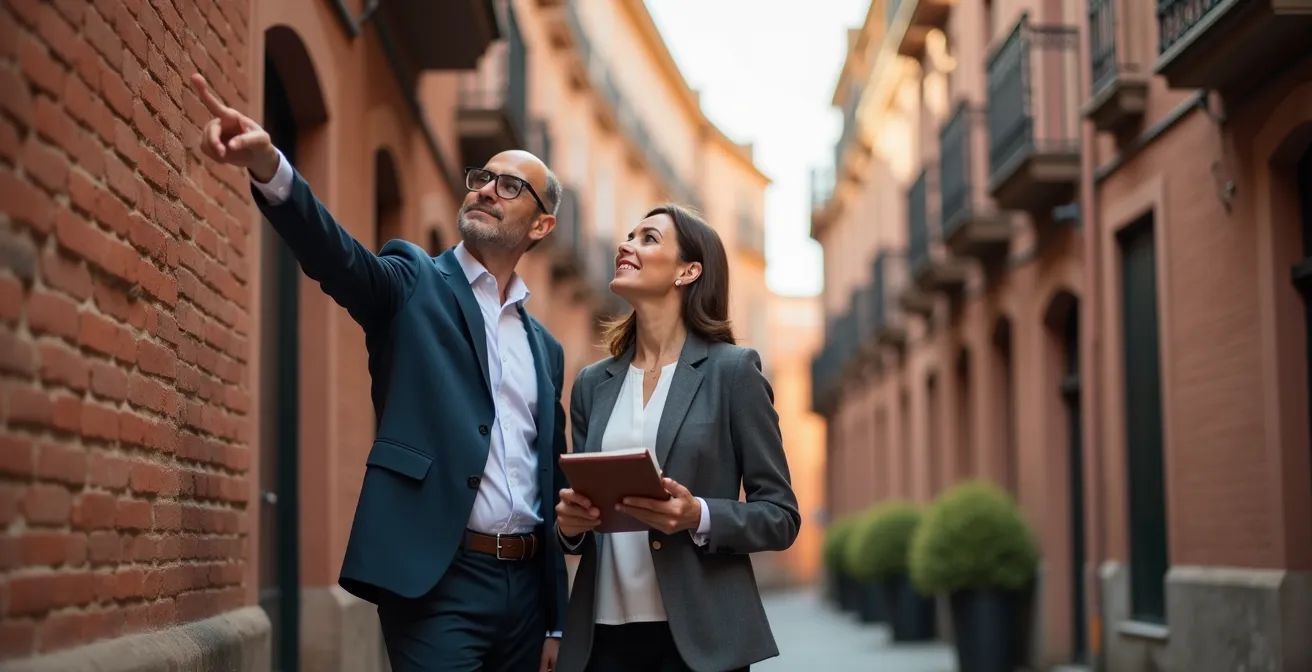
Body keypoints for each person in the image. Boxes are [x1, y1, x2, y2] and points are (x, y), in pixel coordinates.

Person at [190, 73, 568, 672]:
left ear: (541, 225)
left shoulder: (545, 348)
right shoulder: (413, 280)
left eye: (511, 185)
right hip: (439, 581)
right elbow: (338, 260)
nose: (486, 190)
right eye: (482, 178)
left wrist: (555, 617)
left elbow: (547, 479)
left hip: (525, 593)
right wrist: (271, 168)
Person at [553, 205, 801, 672]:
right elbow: (583, 521)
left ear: (688, 270)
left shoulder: (733, 372)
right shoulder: (591, 383)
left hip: (700, 638)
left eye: (648, 238)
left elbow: (781, 516)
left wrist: (698, 515)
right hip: (602, 637)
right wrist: (569, 527)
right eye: (628, 236)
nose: (626, 245)